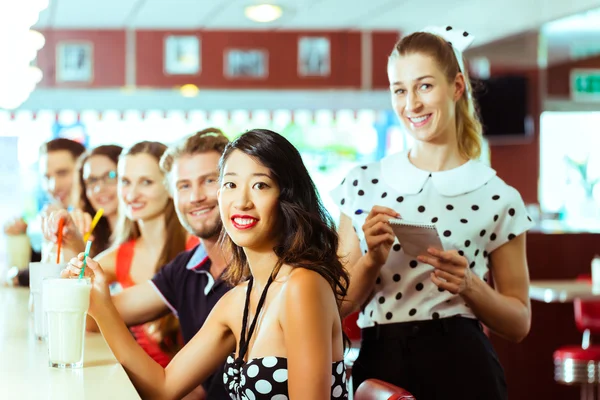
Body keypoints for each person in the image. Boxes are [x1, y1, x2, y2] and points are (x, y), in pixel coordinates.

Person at [64, 129, 350, 400]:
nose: (242, 200)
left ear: (287, 198)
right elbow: (163, 388)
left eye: (260, 185)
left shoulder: (303, 285)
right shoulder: (237, 300)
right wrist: (101, 307)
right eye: (230, 184)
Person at [330, 26, 534, 400]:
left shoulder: (498, 196)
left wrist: (470, 285)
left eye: (424, 86)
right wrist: (372, 259)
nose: (412, 104)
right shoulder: (360, 182)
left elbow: (519, 322)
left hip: (465, 369)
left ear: (456, 87)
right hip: (379, 368)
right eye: (400, 90)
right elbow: (340, 303)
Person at [46, 129, 231, 399]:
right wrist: (73, 250)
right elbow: (93, 313)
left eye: (209, 181)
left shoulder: (256, 271)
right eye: (184, 185)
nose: (195, 196)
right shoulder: (188, 266)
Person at [3, 138, 86, 286]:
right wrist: (23, 235)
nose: (53, 186)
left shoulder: (97, 220)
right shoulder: (57, 214)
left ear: (84, 170)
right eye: (47, 177)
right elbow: (49, 267)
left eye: (62, 173)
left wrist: (17, 276)